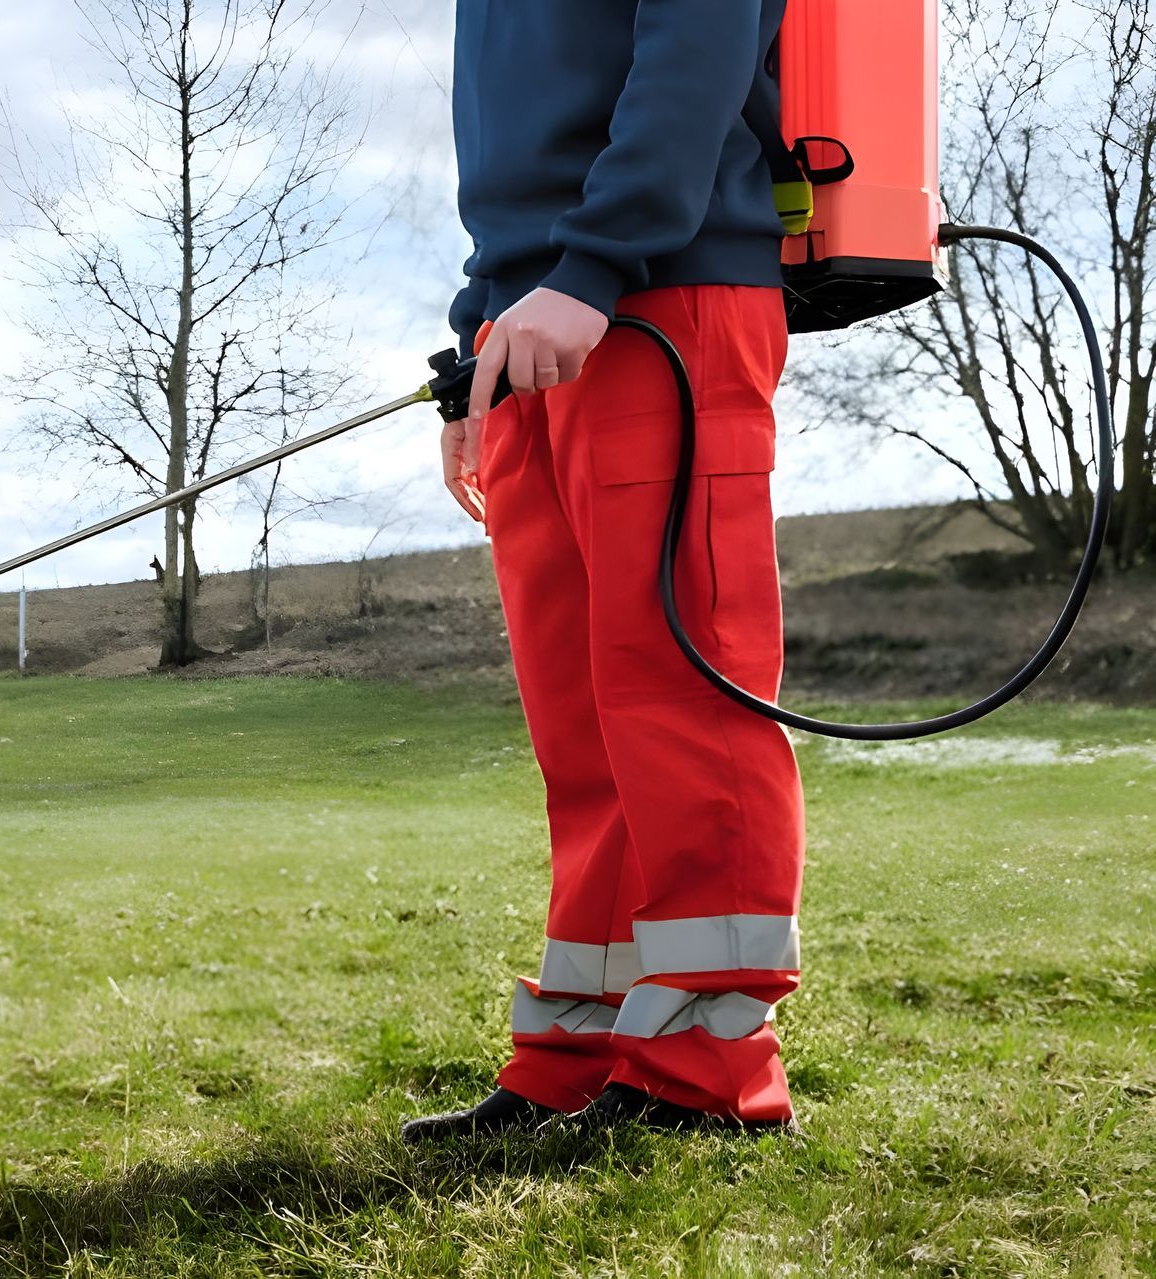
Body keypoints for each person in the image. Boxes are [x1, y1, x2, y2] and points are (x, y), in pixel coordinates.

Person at [402, 0, 805, 1139]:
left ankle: (708, 1069)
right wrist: (473, 352)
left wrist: (593, 265)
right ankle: (580, 1048)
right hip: (532, 328)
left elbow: (701, 43)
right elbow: (514, 150)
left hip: (658, 296)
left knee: (680, 691)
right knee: (581, 721)